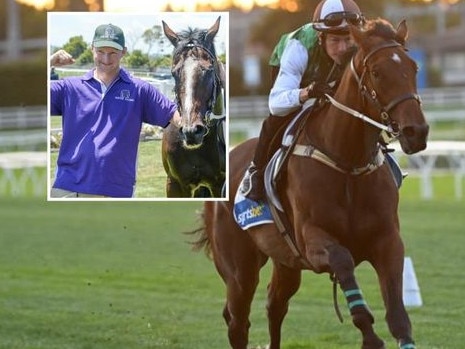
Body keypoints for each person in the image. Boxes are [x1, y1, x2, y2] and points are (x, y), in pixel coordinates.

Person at [241, 0, 364, 201]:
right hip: (295, 75)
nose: (342, 48)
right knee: (282, 116)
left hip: (326, 73)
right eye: (334, 40)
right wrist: (306, 93)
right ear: (320, 36)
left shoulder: (359, 45)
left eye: (347, 39)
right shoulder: (298, 48)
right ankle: (256, 171)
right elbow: (276, 103)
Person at [49, 23, 182, 198]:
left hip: (115, 192)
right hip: (67, 190)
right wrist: (49, 62)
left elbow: (178, 118)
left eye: (112, 52)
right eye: (100, 51)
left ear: (123, 52)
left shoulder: (140, 90)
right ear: (92, 49)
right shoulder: (69, 88)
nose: (106, 58)